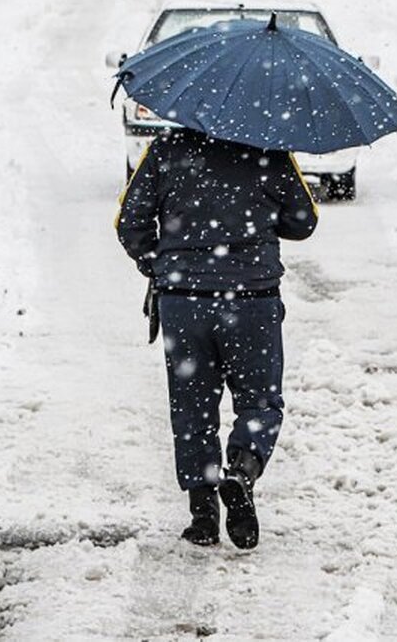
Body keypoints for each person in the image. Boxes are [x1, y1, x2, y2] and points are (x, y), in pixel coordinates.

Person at [115, 127, 317, 549]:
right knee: (260, 401)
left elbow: (130, 222)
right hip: (252, 300)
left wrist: (160, 264)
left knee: (191, 406)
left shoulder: (165, 149)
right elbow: (304, 221)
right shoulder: (268, 147)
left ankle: (202, 515)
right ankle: (242, 472)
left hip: (183, 301)